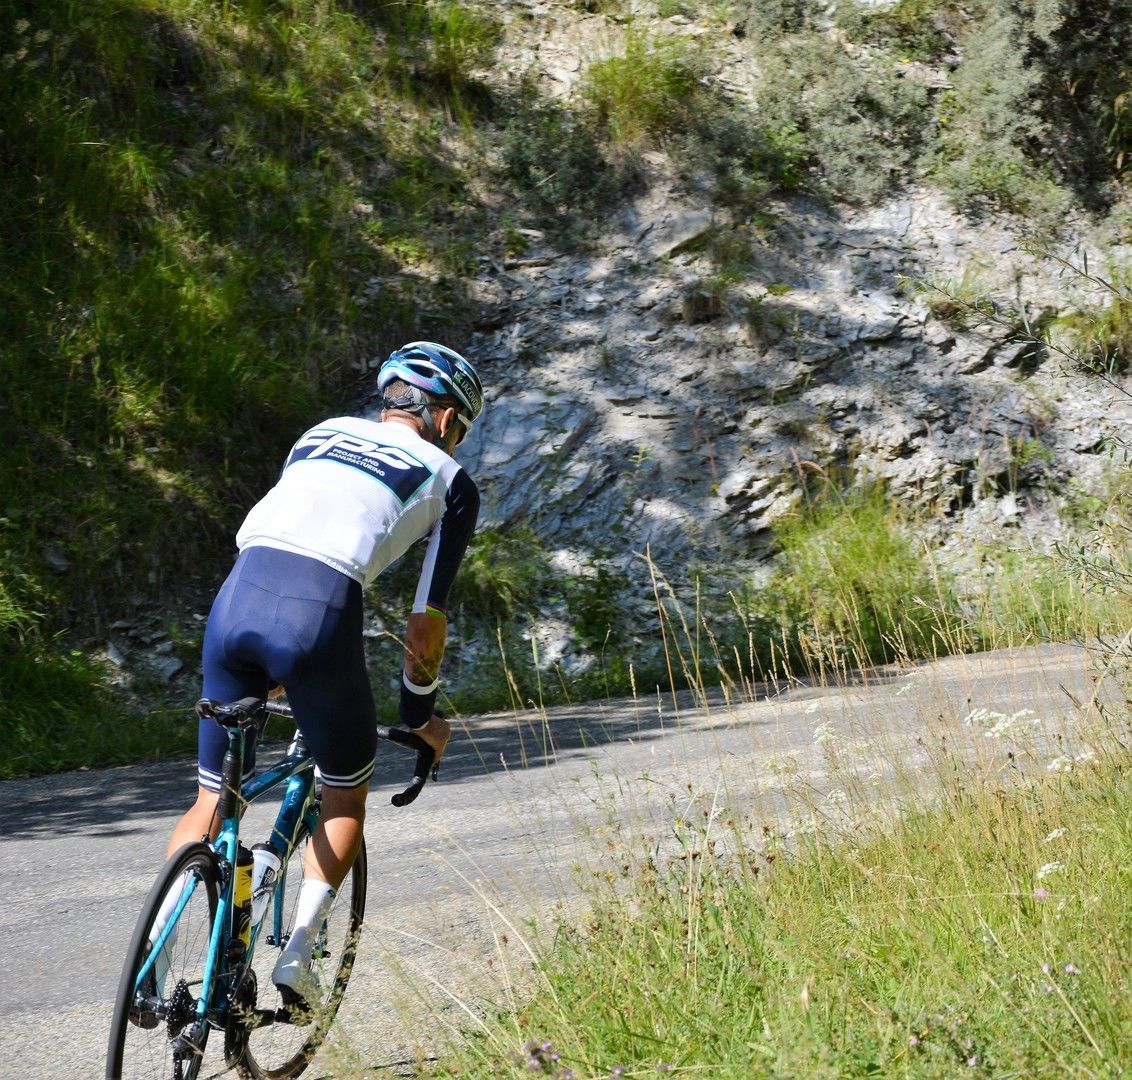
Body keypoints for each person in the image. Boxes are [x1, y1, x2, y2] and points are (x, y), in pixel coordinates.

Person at [160, 341, 483, 1012]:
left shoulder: (319, 434)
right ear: (448, 419)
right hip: (318, 615)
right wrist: (419, 717)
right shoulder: (450, 477)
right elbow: (425, 624)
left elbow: (294, 530)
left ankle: (154, 960)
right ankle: (300, 956)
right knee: (345, 791)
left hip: (234, 602)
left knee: (212, 797)